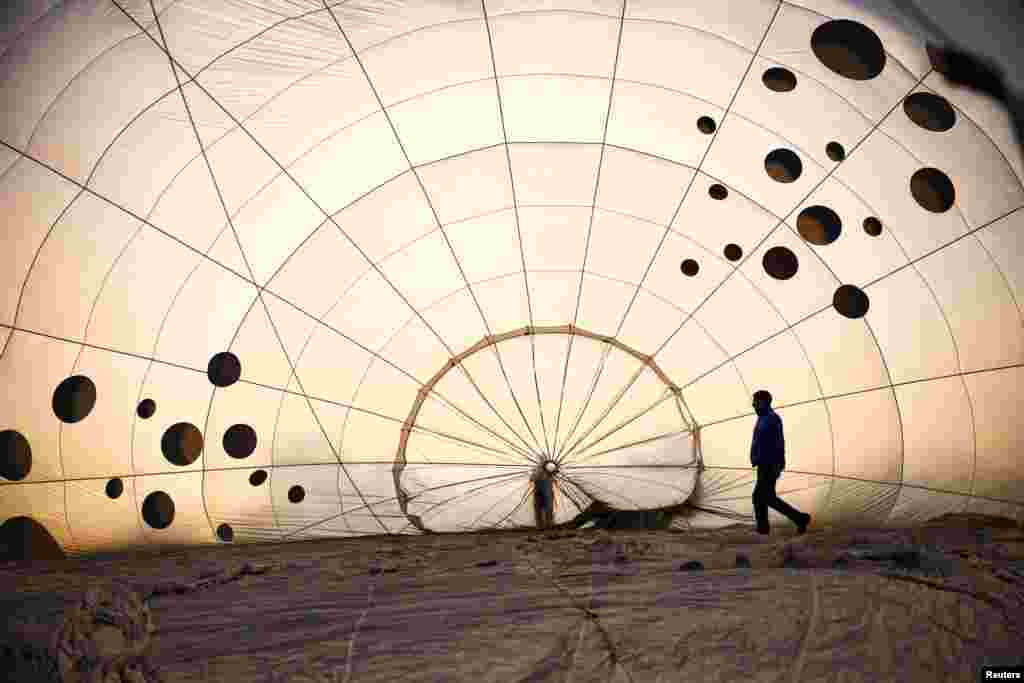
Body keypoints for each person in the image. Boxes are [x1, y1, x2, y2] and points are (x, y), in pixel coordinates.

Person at [750, 390, 810, 535]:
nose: (753, 405)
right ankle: (797, 519)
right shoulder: (763, 417)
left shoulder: (772, 418)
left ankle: (765, 529)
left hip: (769, 464)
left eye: (756, 401)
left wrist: (778, 464)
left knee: (761, 497)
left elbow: (778, 443)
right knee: (764, 497)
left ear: (764, 402)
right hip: (763, 463)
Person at [531, 461, 557, 529]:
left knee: (545, 509)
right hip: (541, 493)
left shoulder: (546, 474)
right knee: (542, 509)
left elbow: (532, 479)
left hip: (543, 493)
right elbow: (532, 479)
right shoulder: (538, 473)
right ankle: (544, 525)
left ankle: (546, 525)